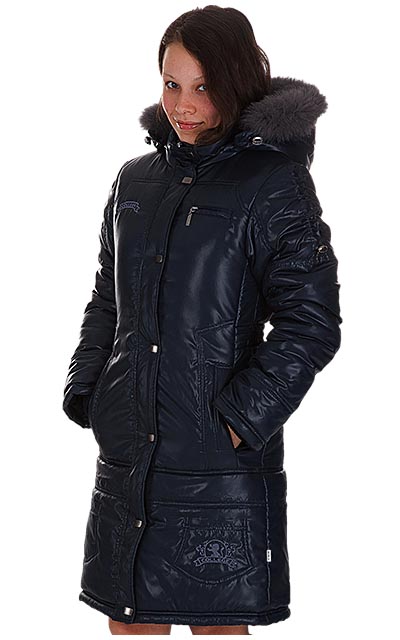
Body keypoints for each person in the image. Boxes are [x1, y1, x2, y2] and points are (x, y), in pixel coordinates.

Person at [62, 4, 342, 636]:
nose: (183, 106)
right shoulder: (135, 180)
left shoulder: (272, 183)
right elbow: (107, 299)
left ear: (234, 81)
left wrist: (241, 419)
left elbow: (311, 319)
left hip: (218, 461)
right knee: (129, 624)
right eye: (171, 84)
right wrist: (89, 390)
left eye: (203, 86)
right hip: (130, 455)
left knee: (218, 625)